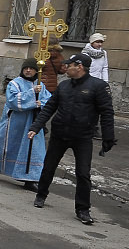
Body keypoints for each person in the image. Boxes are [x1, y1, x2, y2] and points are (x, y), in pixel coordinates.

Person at [28, 53, 116, 225]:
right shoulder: (64, 86)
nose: (66, 67)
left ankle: (82, 209)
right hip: (60, 134)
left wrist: (108, 138)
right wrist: (35, 127)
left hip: (82, 137)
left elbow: (107, 113)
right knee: (49, 167)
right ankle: (41, 195)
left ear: (80, 66)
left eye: (69, 65)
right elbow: (50, 108)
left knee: (83, 173)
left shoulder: (98, 87)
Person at [0, 60, 50, 190]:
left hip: (32, 122)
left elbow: (48, 100)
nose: (28, 71)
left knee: (31, 149)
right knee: (4, 145)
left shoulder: (40, 84)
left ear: (37, 71)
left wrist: (40, 104)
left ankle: (29, 179)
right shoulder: (14, 83)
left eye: (32, 68)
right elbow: (13, 100)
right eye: (26, 68)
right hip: (14, 121)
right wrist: (32, 94)